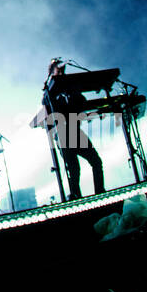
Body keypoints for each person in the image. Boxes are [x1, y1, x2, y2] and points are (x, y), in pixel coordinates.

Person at [44, 58, 104, 200]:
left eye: (63, 70)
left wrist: (74, 94)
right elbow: (47, 107)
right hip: (63, 133)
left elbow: (82, 102)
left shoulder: (70, 87)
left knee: (96, 162)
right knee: (74, 169)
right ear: (52, 72)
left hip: (75, 131)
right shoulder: (49, 92)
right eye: (58, 71)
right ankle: (76, 198)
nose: (62, 73)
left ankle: (100, 193)